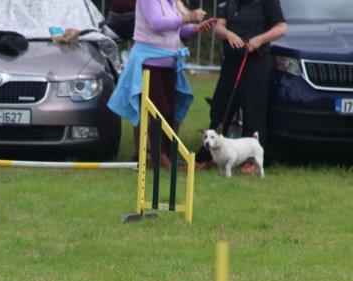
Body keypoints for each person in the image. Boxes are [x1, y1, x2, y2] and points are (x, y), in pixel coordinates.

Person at [108, 0, 211, 168]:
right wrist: (187, 18)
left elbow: (175, 28)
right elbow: (156, 23)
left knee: (170, 111)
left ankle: (168, 156)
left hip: (168, 65)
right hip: (149, 63)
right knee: (159, 111)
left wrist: (195, 28)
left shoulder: (170, 2)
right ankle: (159, 157)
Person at [196, 0, 287, 171]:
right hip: (232, 61)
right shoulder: (231, 2)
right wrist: (228, 34)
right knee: (220, 108)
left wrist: (259, 39)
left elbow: (281, 28)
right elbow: (219, 27)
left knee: (253, 111)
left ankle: (251, 160)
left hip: (256, 61)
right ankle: (208, 156)